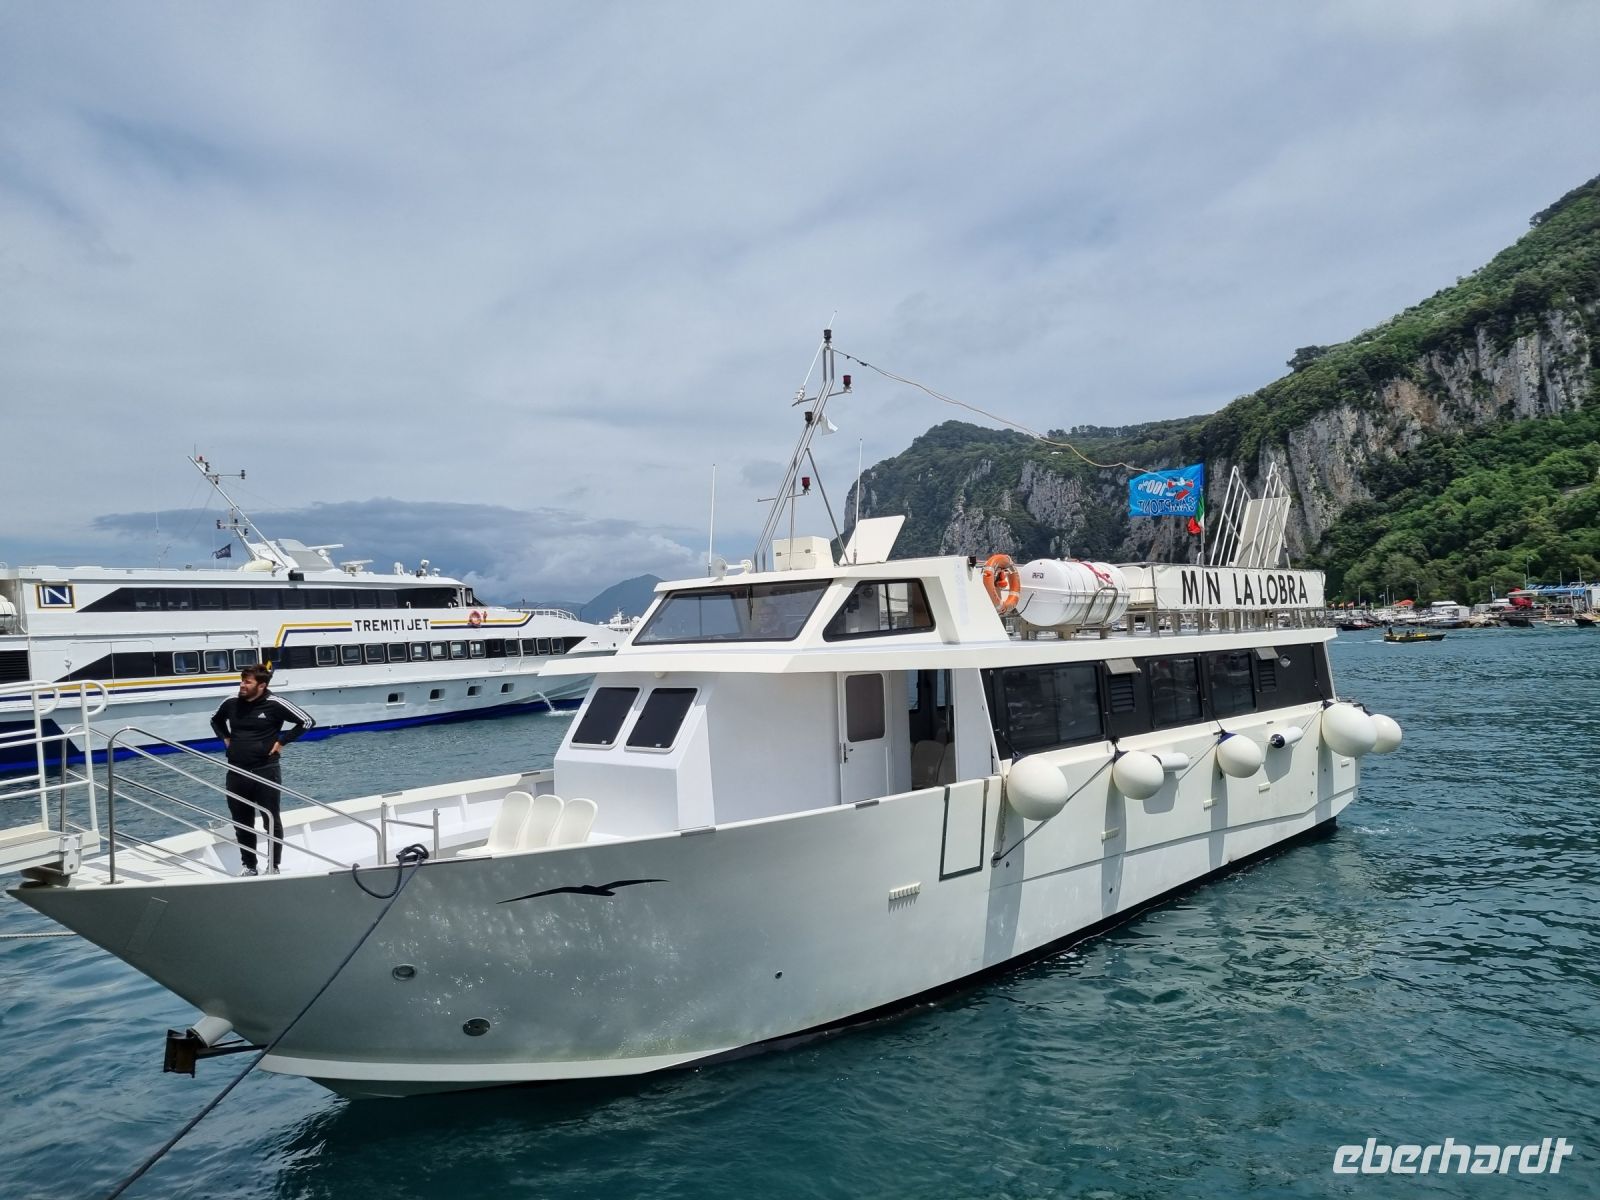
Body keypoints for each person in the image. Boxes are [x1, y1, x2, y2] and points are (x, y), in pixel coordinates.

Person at [209, 666, 315, 876]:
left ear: (262, 685)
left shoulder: (275, 703)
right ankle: (249, 866)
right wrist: (226, 738)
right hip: (236, 771)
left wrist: (282, 742)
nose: (242, 685)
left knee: (271, 820)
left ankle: (273, 866)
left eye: (247, 682)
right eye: (241, 681)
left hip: (266, 770)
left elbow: (307, 721)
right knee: (241, 821)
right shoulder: (231, 702)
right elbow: (215, 720)